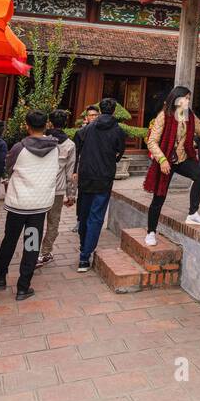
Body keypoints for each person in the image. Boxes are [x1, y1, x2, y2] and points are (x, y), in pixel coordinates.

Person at [0, 111, 58, 302]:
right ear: (46, 124)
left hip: (19, 204)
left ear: (27, 125)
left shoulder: (19, 147)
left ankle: (0, 277)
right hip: (39, 205)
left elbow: (8, 166)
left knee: (9, 240)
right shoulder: (54, 148)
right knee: (31, 244)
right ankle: (23, 287)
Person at [142, 85, 200, 245]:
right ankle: (151, 232)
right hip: (165, 160)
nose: (187, 101)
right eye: (185, 98)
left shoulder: (189, 115)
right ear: (176, 99)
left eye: (188, 99)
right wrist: (162, 159)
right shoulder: (164, 116)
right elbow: (152, 141)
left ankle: (193, 213)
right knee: (159, 197)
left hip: (182, 157)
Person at [73, 98, 127, 271]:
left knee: (84, 213)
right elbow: (120, 151)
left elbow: (77, 150)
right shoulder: (118, 130)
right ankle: (84, 256)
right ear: (114, 111)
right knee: (96, 216)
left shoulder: (86, 130)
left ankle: (84, 246)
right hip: (104, 177)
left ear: (100, 110)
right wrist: (112, 159)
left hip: (86, 176)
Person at [39, 110, 77, 265]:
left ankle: (31, 251)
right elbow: (70, 173)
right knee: (53, 222)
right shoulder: (69, 144)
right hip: (58, 189)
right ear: (66, 124)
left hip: (38, 187)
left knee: (35, 222)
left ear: (50, 122)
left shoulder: (39, 140)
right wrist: (72, 195)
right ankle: (44, 253)